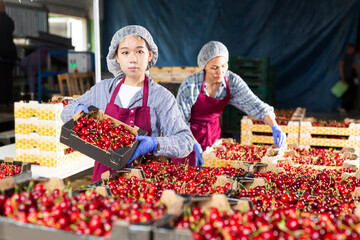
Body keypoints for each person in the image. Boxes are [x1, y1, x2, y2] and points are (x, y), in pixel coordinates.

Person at [61, 25, 194, 182]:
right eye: (125, 52)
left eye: (139, 51)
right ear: (116, 57)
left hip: (142, 181)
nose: (133, 59)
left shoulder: (161, 97)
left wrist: (155, 143)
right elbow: (65, 112)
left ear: (150, 55)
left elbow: (186, 141)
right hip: (104, 179)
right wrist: (77, 109)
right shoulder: (103, 90)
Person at [176, 41, 286, 166]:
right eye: (214, 68)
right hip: (186, 137)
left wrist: (274, 126)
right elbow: (180, 122)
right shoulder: (190, 85)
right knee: (185, 176)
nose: (220, 72)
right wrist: (193, 144)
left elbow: (255, 105)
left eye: (223, 66)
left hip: (212, 136)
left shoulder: (232, 82)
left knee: (210, 176)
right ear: (204, 66)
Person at [0, 0, 17, 107]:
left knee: (1, 78)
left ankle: (2, 101)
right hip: (10, 53)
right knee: (8, 78)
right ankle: (8, 101)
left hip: (1, 53)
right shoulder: (9, 20)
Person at [339, 44, 359, 113]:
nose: (352, 51)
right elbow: (341, 66)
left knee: (351, 92)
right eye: (352, 49)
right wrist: (342, 77)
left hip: (350, 77)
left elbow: (353, 65)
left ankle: (347, 107)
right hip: (346, 77)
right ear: (349, 48)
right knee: (346, 93)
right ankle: (342, 107)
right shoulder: (345, 56)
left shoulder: (350, 57)